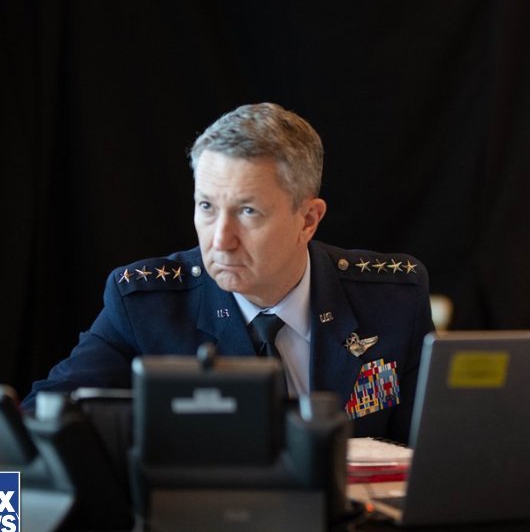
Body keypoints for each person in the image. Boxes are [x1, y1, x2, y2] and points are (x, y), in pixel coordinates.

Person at [22, 103, 434, 443]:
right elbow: (37, 422)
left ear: (308, 219)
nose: (221, 239)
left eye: (247, 211)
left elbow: (436, 452)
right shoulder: (147, 307)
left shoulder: (393, 299)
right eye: (207, 207)